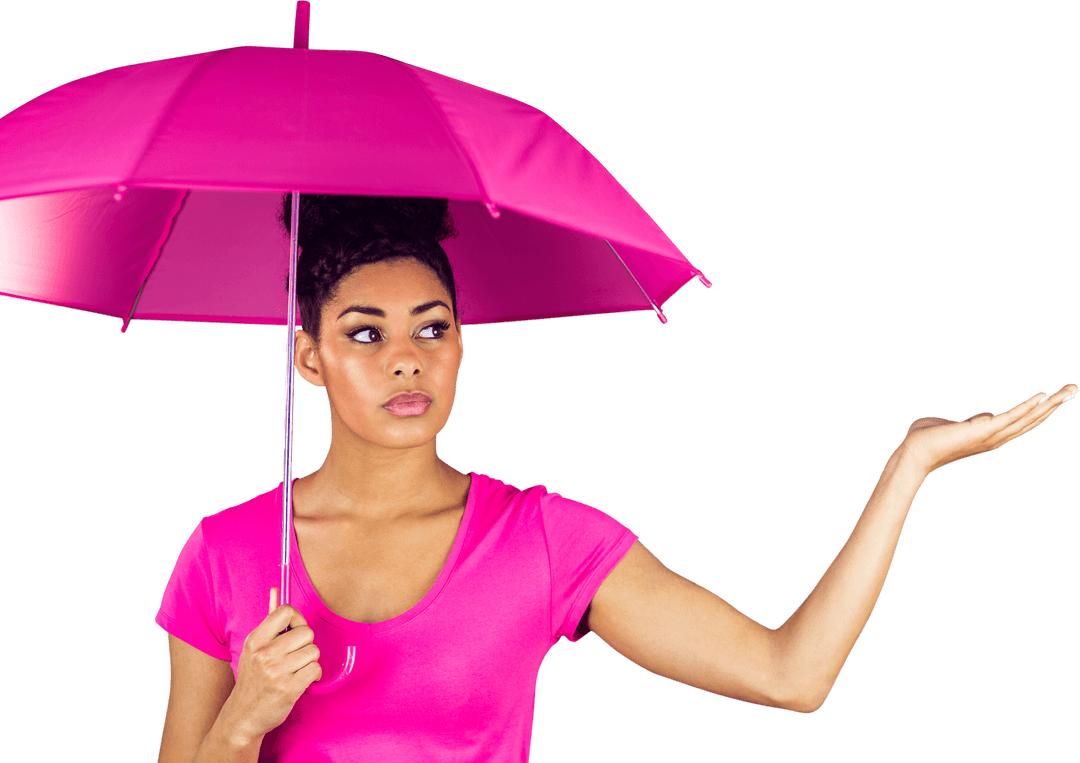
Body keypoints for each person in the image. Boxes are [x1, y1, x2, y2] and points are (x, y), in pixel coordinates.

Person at [155, 194, 1076, 763]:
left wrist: (907, 468)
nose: (407, 360)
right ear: (308, 358)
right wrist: (245, 720)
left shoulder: (545, 539)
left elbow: (788, 674)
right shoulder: (227, 553)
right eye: (365, 333)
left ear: (463, 343)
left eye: (432, 327)